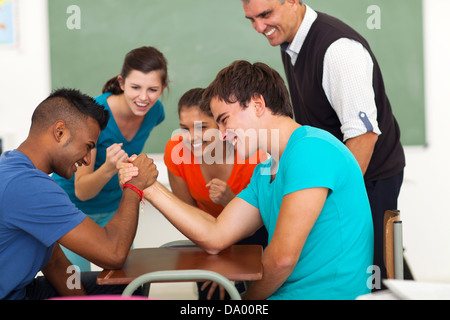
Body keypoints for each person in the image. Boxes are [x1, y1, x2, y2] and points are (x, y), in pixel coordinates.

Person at [119, 61, 374, 300]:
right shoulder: (266, 170)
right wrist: (149, 188)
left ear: (257, 104)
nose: (222, 134)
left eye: (224, 120)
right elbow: (216, 235)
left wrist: (242, 303)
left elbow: (282, 258)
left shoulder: (311, 150)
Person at [240, 0, 411, 286]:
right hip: (334, 171)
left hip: (370, 174)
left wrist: (334, 197)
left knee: (376, 270)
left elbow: (363, 135)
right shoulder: (291, 43)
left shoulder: (338, 49)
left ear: (293, 2)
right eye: (252, 19)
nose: (259, 27)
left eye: (266, 14)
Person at [0, 88, 157, 300]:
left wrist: (80, 298)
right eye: (88, 147)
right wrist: (135, 185)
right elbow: (113, 253)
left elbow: (55, 262)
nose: (86, 160)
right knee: (132, 290)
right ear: (60, 132)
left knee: (129, 285)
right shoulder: (27, 185)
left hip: (21, 290)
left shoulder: (14, 167)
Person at [52, 46, 168, 271]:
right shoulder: (94, 116)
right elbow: (82, 191)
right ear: (122, 83)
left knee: (127, 279)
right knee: (76, 284)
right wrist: (109, 167)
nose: (144, 98)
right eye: (135, 87)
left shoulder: (155, 112)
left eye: (152, 89)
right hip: (73, 210)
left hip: (115, 209)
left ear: (163, 88)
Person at [164, 87, 268, 299]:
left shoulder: (252, 155)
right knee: (212, 292)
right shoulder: (176, 151)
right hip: (207, 239)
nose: (192, 138)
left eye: (202, 127)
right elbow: (188, 216)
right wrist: (217, 258)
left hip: (256, 237)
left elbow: (265, 218)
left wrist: (232, 201)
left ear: (222, 127)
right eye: (184, 128)